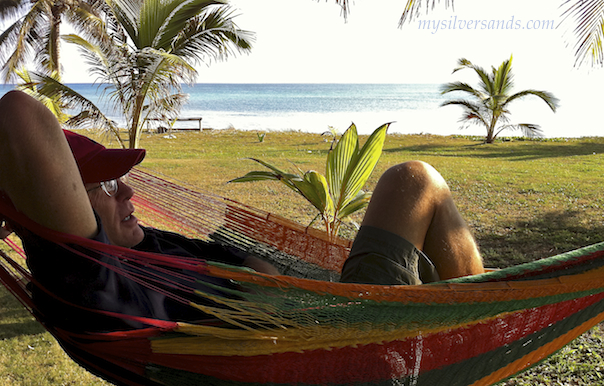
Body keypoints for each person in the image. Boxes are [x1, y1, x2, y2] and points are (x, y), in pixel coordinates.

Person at [0, 90, 483, 327]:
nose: (128, 194)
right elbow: (18, 114)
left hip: (329, 307)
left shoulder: (148, 248)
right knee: (414, 179)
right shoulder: (93, 279)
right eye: (103, 185)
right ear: (62, 220)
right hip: (345, 338)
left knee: (417, 187)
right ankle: (484, 322)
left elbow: (251, 265)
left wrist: (260, 267)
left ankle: (482, 314)